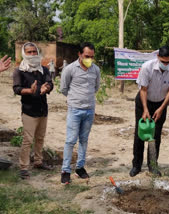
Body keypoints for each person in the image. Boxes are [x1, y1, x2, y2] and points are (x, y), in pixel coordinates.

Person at [129, 45, 169, 177]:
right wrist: (145, 109)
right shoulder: (147, 67)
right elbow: (143, 89)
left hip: (161, 103)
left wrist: (161, 108)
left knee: (156, 135)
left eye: (168, 62)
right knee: (141, 133)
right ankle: (136, 165)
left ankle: (152, 166)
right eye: (163, 61)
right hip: (144, 102)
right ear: (158, 57)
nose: (165, 64)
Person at [60, 42, 100, 184]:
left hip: (89, 110)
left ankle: (80, 168)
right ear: (79, 54)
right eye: (86, 56)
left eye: (92, 57)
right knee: (70, 140)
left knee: (84, 140)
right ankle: (65, 170)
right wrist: (75, 100)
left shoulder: (95, 70)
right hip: (74, 110)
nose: (89, 59)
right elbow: (64, 88)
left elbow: (96, 87)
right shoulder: (70, 69)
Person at [13, 42, 53, 179]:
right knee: (27, 140)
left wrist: (46, 87)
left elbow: (50, 83)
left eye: (34, 52)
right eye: (29, 52)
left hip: (42, 109)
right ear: (24, 54)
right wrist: (29, 91)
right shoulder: (20, 70)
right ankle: (24, 167)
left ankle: (38, 161)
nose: (32, 54)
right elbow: (16, 89)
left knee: (40, 138)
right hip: (29, 110)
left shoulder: (44, 69)